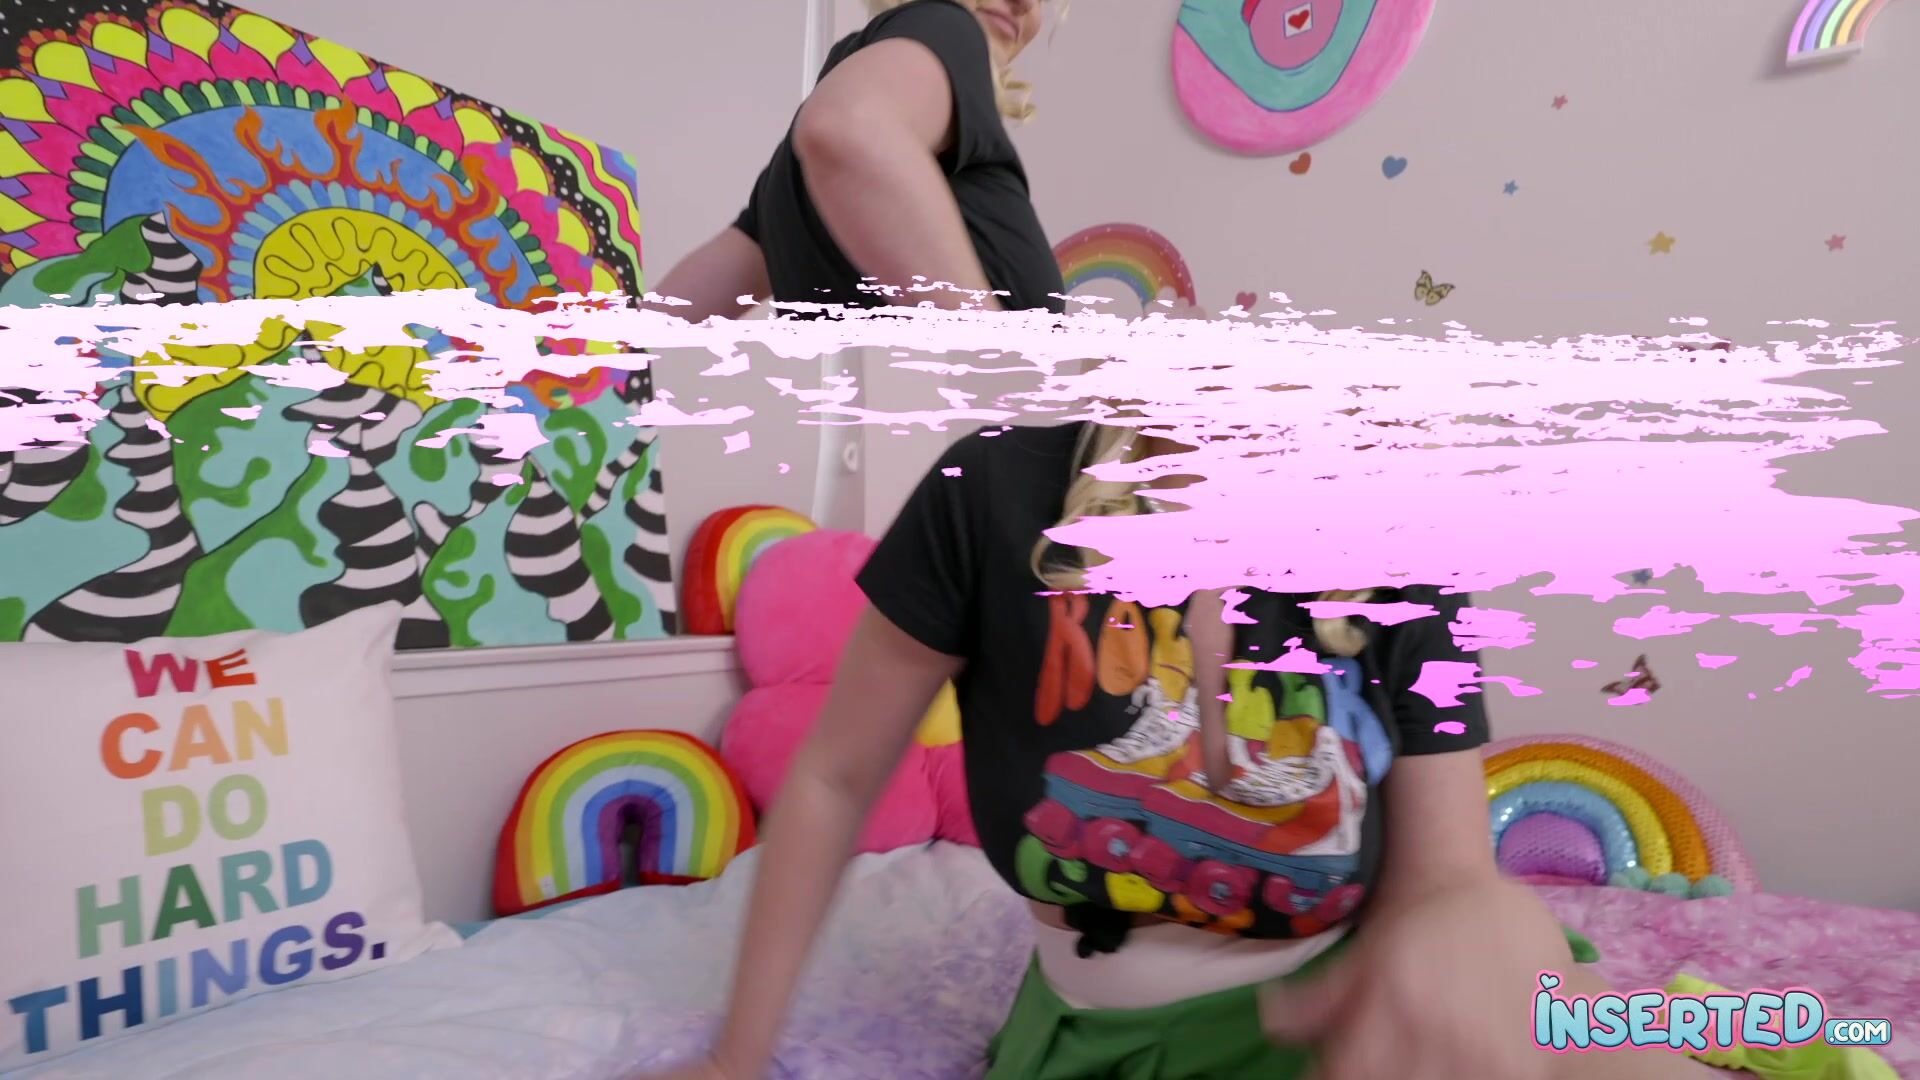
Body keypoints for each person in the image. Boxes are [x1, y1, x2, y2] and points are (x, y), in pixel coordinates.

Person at [640, 2, 1880, 1078]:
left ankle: (1718, 1026)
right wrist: (738, 1056)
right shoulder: (996, 488)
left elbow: (1450, 869)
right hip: (1097, 1034)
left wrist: (1472, 926)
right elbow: (833, 776)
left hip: (1360, 998)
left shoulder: (1386, 524)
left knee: (1585, 1035)